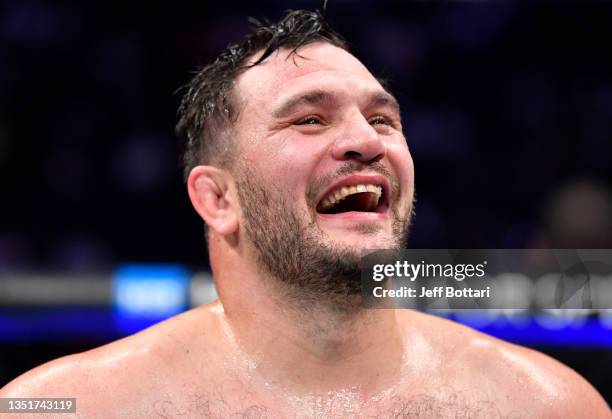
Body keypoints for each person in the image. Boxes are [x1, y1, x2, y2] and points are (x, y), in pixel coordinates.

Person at [1, 9, 609, 418]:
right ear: (218, 198)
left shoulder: (543, 405)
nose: (367, 142)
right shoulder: (66, 408)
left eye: (382, 119)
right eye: (309, 119)